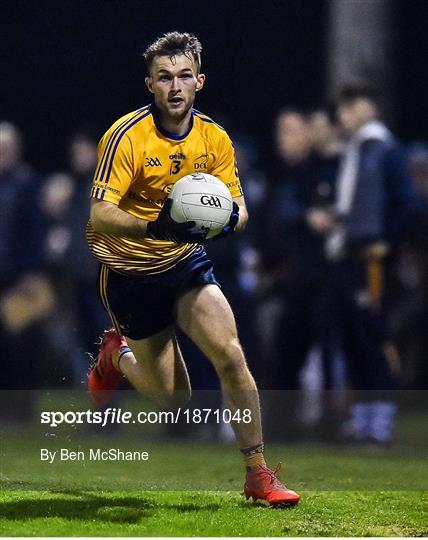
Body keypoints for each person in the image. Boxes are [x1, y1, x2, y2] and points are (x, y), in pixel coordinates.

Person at [86, 32, 299, 506]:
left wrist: (220, 220)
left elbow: (240, 212)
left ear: (199, 81)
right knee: (174, 400)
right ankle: (115, 354)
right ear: (150, 84)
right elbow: (100, 214)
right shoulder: (126, 136)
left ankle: (258, 475)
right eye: (165, 77)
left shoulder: (214, 138)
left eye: (184, 76)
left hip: (185, 263)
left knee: (230, 352)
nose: (175, 86)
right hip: (130, 272)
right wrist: (157, 224)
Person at [322, 85, 416, 445]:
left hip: (372, 261)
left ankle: (381, 421)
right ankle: (362, 419)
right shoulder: (356, 150)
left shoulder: (385, 150)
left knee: (374, 339)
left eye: (350, 107)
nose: (343, 115)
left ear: (368, 107)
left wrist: (386, 243)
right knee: (355, 339)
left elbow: (409, 206)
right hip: (349, 257)